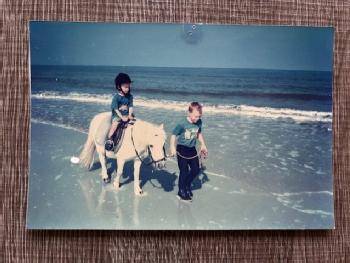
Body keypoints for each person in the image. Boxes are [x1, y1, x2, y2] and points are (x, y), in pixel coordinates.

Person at [170, 102, 208, 202]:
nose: (197, 118)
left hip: (192, 149)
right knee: (184, 171)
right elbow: (173, 135)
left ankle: (186, 184)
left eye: (199, 116)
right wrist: (172, 148)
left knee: (196, 170)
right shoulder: (182, 124)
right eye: (195, 116)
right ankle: (181, 191)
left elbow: (199, 133)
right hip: (182, 148)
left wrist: (203, 145)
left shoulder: (199, 122)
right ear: (189, 113)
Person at [105, 73, 134, 150]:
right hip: (117, 115)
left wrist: (130, 115)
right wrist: (121, 117)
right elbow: (115, 109)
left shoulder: (130, 96)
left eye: (128, 87)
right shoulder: (116, 97)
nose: (127, 89)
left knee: (135, 124)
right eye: (125, 87)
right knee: (114, 126)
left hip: (127, 114)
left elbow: (130, 106)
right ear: (119, 87)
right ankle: (109, 140)